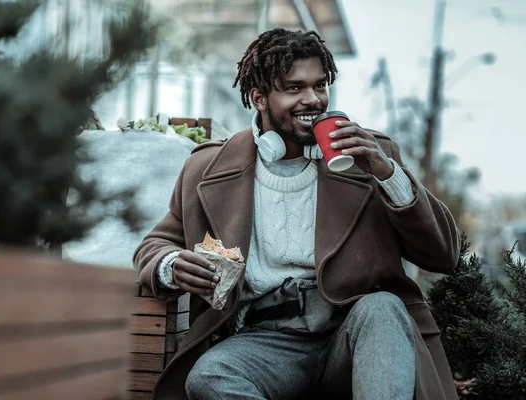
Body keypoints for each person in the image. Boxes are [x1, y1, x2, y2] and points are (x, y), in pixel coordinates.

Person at [134, 28, 460, 400]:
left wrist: (387, 174)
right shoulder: (206, 168)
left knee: (383, 308)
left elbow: (443, 255)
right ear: (259, 98)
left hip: (351, 333)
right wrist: (171, 263)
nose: (314, 100)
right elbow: (156, 243)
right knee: (208, 376)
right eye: (294, 88)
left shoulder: (370, 157)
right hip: (264, 342)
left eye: (320, 86)